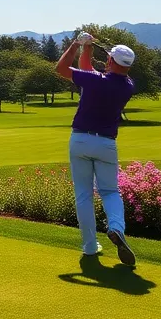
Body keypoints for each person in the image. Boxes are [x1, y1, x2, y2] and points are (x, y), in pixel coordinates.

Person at [55, 33, 137, 265]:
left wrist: (76, 44)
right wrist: (88, 48)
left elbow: (62, 68)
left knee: (84, 195)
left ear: (110, 61)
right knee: (110, 192)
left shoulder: (95, 80)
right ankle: (116, 227)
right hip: (106, 144)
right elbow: (87, 68)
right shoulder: (128, 85)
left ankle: (90, 247)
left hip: (80, 140)